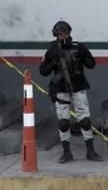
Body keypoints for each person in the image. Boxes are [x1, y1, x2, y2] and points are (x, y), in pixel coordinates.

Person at [39, 20, 102, 163]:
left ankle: (90, 151)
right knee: (63, 123)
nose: (61, 36)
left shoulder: (78, 47)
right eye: (59, 34)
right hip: (60, 89)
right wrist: (53, 62)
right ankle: (66, 153)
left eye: (64, 33)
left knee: (85, 121)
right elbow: (43, 71)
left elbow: (91, 64)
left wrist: (83, 56)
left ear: (68, 33)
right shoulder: (52, 49)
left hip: (78, 87)